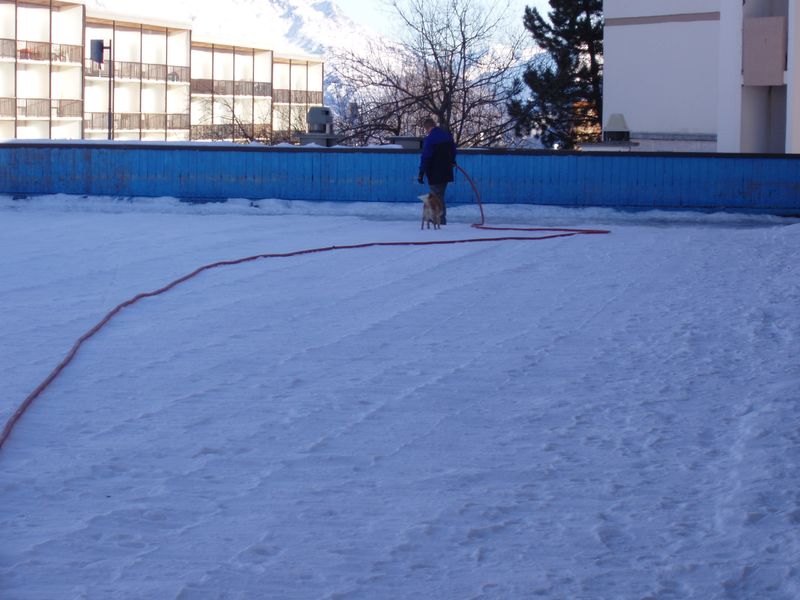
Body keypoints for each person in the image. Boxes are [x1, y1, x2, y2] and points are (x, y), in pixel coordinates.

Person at [418, 117, 456, 225]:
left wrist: (421, 172)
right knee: (440, 195)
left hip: (435, 172)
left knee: (434, 196)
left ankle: (438, 219)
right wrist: (452, 161)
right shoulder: (446, 135)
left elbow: (426, 156)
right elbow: (453, 149)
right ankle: (441, 218)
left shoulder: (430, 139)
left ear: (428, 127)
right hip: (447, 171)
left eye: (425, 129)